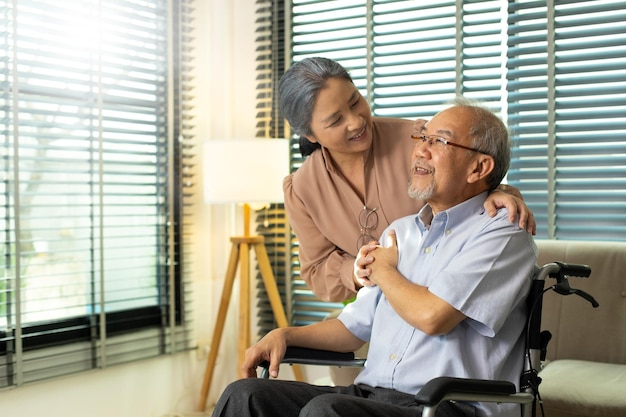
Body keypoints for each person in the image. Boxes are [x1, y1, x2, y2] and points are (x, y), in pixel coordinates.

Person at [211, 99, 538, 417]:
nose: (420, 150)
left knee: (327, 411)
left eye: (439, 141)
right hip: (372, 396)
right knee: (246, 394)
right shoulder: (401, 232)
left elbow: (432, 316)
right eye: (422, 137)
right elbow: (352, 328)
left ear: (479, 167)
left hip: (449, 405)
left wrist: (382, 269)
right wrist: (283, 334)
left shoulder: (503, 233)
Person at [281, 57, 535, 304]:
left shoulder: (419, 141)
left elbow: (473, 178)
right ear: (309, 134)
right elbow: (316, 270)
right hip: (378, 312)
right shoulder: (301, 189)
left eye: (355, 101)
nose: (357, 121)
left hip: (447, 302)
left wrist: (496, 191)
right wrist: (357, 271)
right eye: (336, 120)